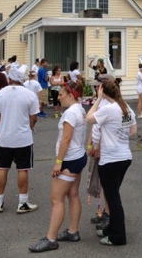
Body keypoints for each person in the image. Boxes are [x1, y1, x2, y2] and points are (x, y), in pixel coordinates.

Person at [28, 79, 87, 252]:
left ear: (70, 95)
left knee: (56, 199)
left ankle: (51, 238)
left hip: (69, 160)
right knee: (73, 194)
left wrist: (58, 163)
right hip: (78, 156)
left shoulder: (70, 113)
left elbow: (66, 139)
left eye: (61, 94)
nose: (58, 97)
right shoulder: (80, 109)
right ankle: (72, 231)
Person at [85, 79, 137, 246]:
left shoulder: (108, 109)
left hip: (110, 159)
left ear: (105, 92)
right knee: (112, 194)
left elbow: (88, 119)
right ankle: (111, 228)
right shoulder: (126, 108)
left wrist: (98, 98)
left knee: (113, 198)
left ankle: (118, 236)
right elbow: (133, 132)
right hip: (125, 156)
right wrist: (118, 133)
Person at [0, 65, 39, 214]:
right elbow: (34, 117)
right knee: (22, 169)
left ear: (9, 78)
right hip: (23, 137)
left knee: (2, 168)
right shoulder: (29, 94)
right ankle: (23, 202)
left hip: (5, 137)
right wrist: (29, 127)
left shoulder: (0, 94)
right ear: (22, 78)